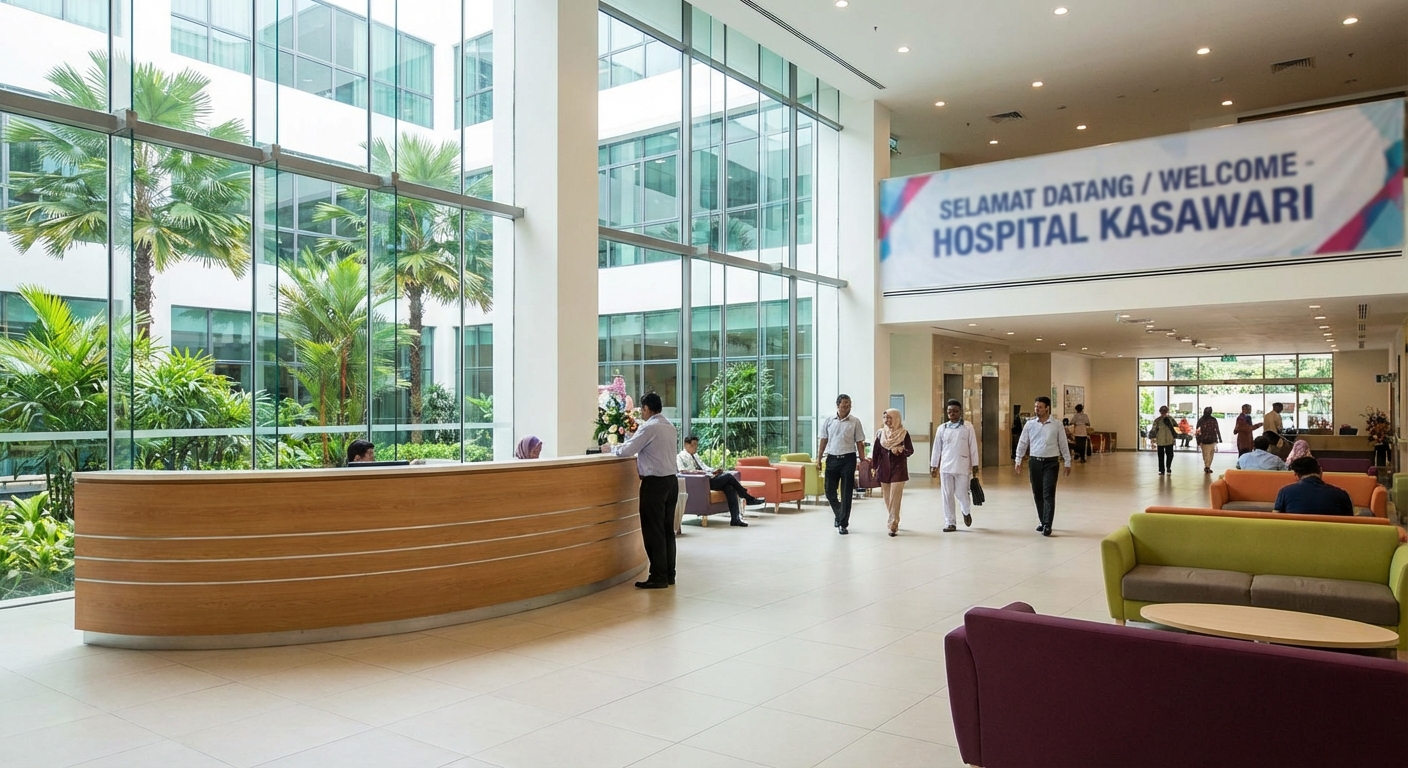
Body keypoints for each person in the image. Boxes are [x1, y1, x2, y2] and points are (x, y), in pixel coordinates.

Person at [606, 392, 679, 589]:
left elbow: (627, 450)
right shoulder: (669, 427)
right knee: (666, 530)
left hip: (654, 484)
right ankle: (668, 574)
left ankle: (657, 576)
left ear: (646, 408)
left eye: (642, 409)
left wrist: (610, 448)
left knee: (653, 530)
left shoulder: (649, 428)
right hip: (671, 482)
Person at [1014, 396, 1072, 536]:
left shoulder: (1056, 424)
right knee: (1037, 493)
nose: (1037, 409)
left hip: (1051, 462)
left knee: (1048, 493)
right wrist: (1018, 459)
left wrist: (1067, 461)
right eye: (1036, 407)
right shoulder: (1030, 424)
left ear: (1047, 408)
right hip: (1035, 461)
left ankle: (1047, 524)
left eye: (1040, 407)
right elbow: (1023, 442)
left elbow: (1063, 443)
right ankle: (1042, 521)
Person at [677, 435, 765, 527]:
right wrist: (703, 472)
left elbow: (704, 466)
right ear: (686, 444)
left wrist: (713, 470)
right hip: (701, 482)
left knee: (730, 487)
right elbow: (682, 471)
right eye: (693, 445)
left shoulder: (695, 456)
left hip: (709, 478)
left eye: (697, 445)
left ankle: (735, 519)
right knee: (728, 476)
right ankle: (747, 497)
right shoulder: (680, 457)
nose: (696, 447)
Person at [930, 399, 980, 533]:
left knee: (961, 493)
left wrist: (975, 464)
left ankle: (966, 510)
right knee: (947, 495)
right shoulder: (942, 428)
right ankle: (950, 522)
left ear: (960, 412)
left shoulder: (967, 427)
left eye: (955, 411)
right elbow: (936, 448)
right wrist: (934, 465)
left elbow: (973, 446)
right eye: (949, 412)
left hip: (962, 466)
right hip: (946, 467)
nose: (952, 414)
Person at [817, 394, 866, 534]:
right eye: (844, 405)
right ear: (837, 405)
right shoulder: (829, 421)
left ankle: (843, 524)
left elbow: (860, 442)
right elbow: (823, 441)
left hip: (848, 459)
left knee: (846, 493)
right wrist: (818, 458)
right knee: (829, 491)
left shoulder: (855, 422)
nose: (847, 407)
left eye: (849, 405)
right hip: (832, 458)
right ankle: (839, 514)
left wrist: (862, 460)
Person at [871, 409, 914, 537]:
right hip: (884, 469)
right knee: (887, 498)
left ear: (896, 419)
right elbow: (876, 452)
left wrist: (901, 450)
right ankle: (894, 517)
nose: (887, 421)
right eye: (885, 418)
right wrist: (873, 467)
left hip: (898, 469)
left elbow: (910, 450)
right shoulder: (880, 434)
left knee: (895, 497)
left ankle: (892, 524)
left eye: (890, 418)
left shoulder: (904, 434)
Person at [1274, 456, 1354, 516]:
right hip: (1331, 536)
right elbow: (1350, 521)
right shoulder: (1341, 494)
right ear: (1321, 471)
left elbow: (1276, 518)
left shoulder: (1285, 492)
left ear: (1296, 475)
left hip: (1295, 535)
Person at [1149, 406, 1179, 475]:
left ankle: (1165, 468)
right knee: (1164, 455)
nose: (1164, 412)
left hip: (1166, 440)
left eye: (1164, 411)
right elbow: (1154, 429)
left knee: (1167, 455)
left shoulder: (1168, 419)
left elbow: (1176, 427)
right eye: (1163, 411)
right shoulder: (1160, 420)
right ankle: (1164, 469)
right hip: (1164, 440)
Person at [1195, 406, 1222, 474]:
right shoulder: (1209, 420)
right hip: (1206, 440)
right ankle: (1207, 466)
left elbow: (1217, 429)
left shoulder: (1203, 420)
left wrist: (1219, 438)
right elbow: (1197, 431)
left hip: (1208, 440)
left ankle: (1207, 466)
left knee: (1208, 454)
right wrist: (1198, 440)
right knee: (1207, 454)